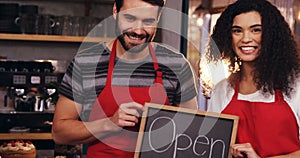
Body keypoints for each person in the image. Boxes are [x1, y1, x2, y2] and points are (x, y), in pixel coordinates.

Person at [51, 0, 198, 157]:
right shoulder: (86, 63)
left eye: (148, 21)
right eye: (130, 18)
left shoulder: (177, 65)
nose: (138, 30)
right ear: (115, 11)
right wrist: (110, 124)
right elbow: (60, 133)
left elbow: (192, 134)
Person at [206, 0, 300, 157]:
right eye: (237, 31)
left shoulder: (295, 86)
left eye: (256, 30)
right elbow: (212, 147)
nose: (245, 38)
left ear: (271, 36)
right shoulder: (222, 90)